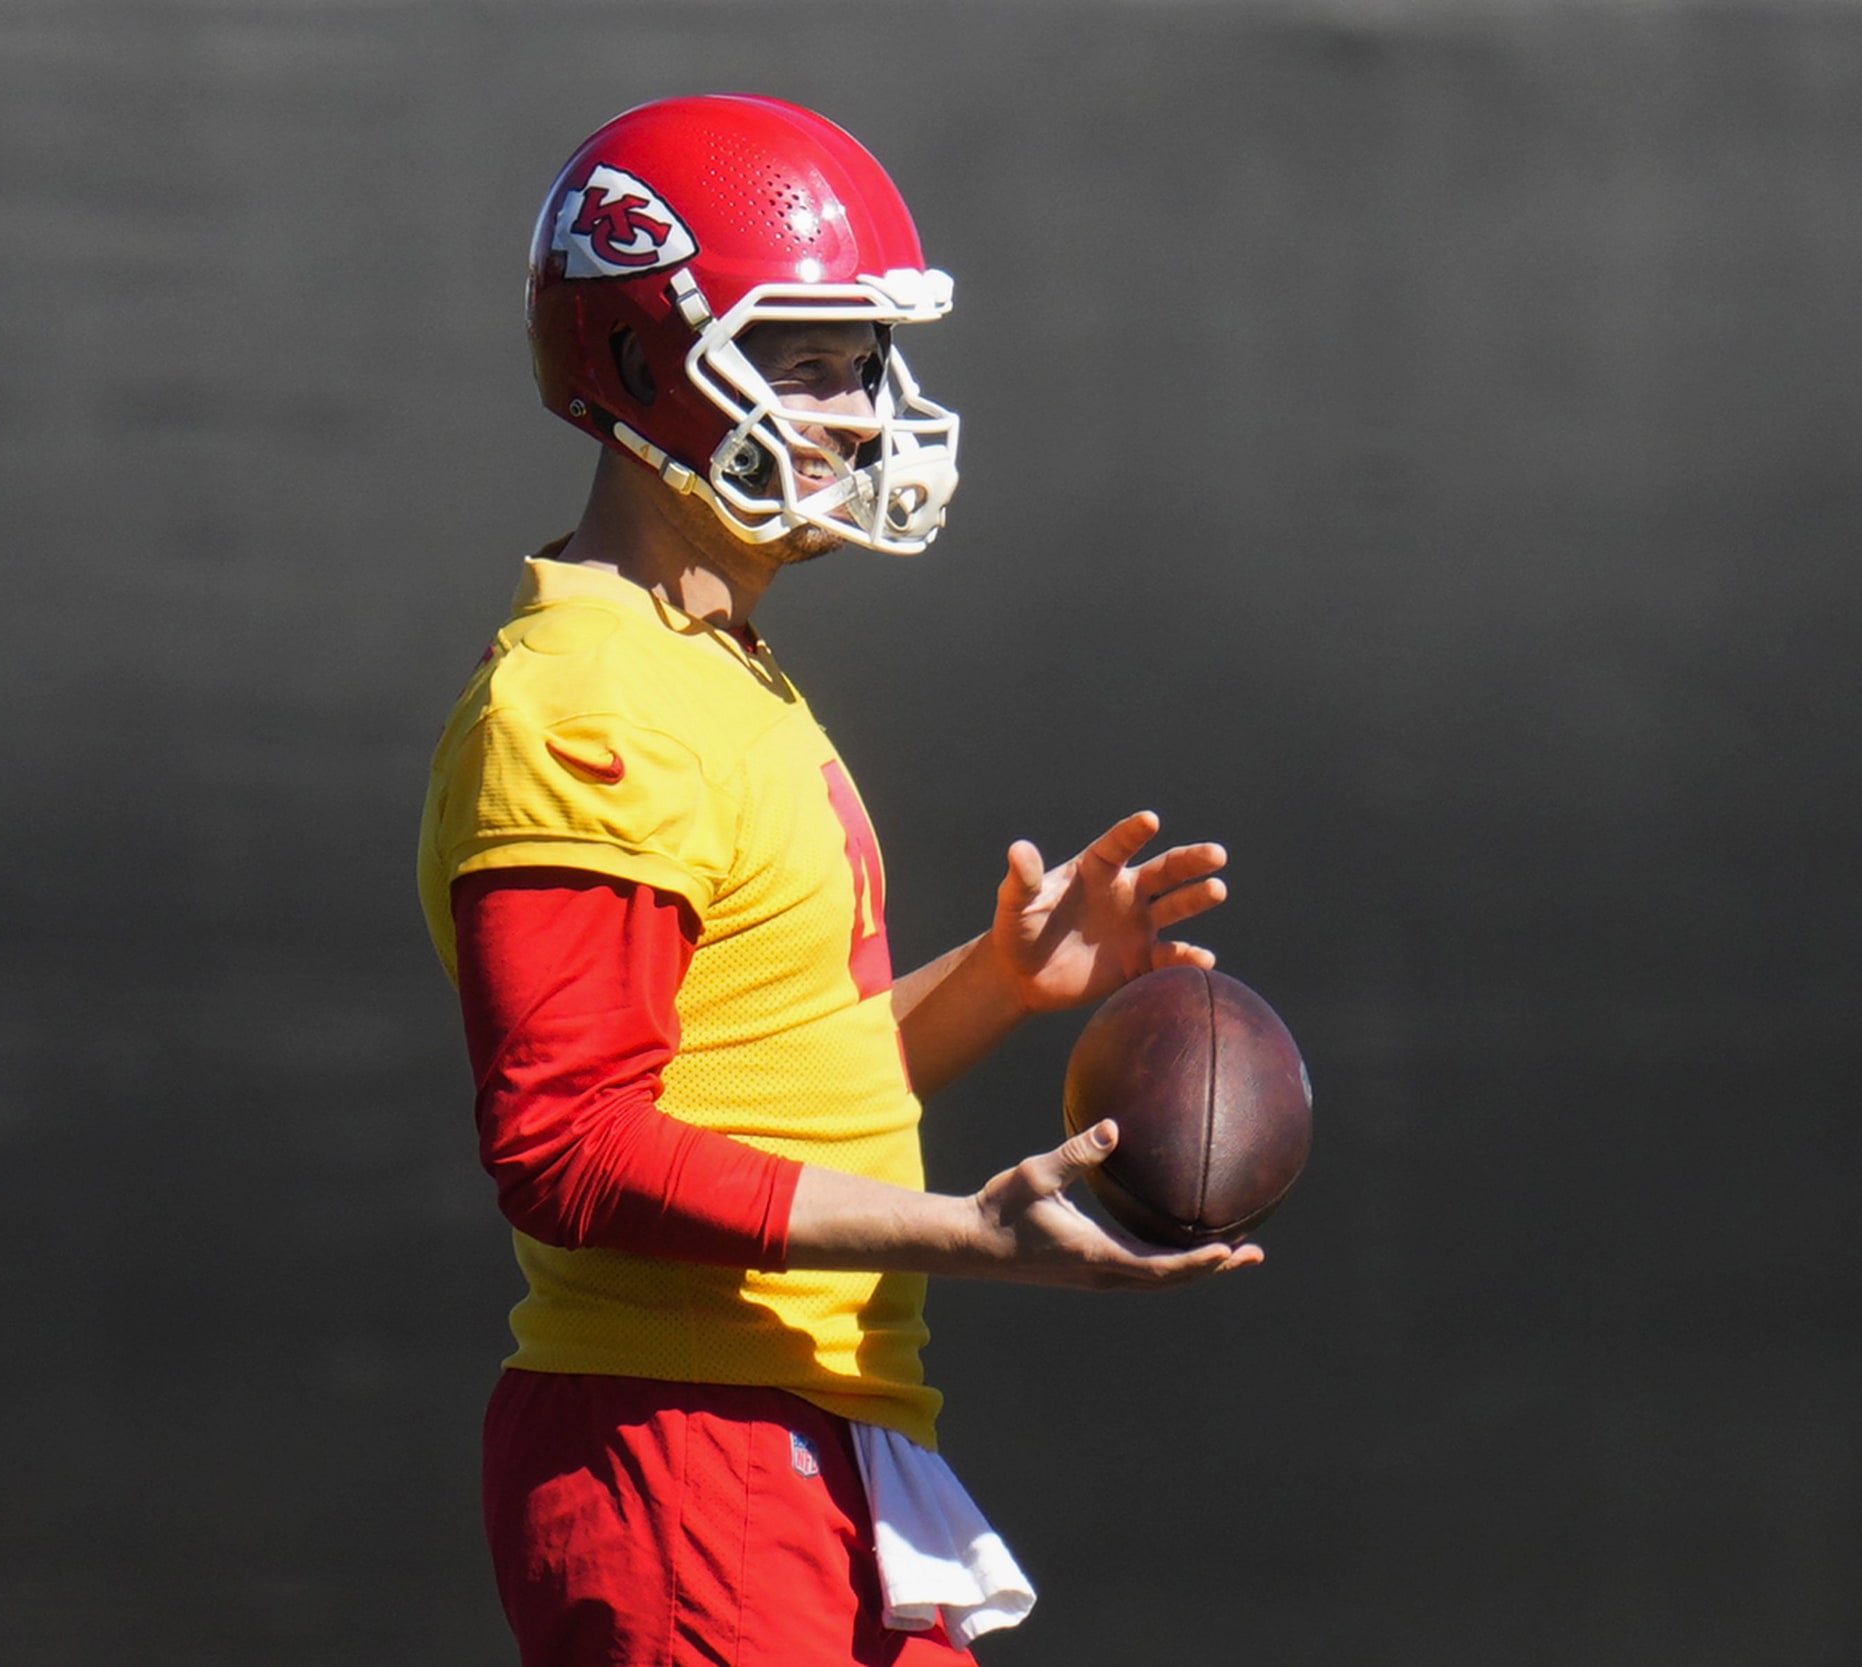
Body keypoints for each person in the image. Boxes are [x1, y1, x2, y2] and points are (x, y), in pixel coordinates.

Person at [417, 94, 1263, 1667]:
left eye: (866, 363)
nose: (861, 414)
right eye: (805, 360)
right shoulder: (586, 701)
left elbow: (763, 1091)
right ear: (639, 361)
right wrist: (966, 1231)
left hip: (806, 1433)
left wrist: (1000, 984)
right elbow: (568, 1144)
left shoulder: (707, 663)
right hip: (688, 1444)